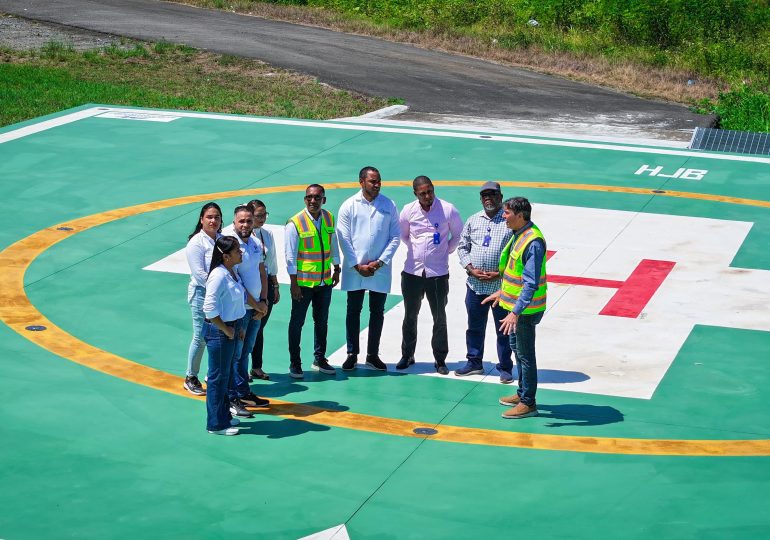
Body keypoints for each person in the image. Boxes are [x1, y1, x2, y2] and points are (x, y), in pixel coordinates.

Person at [482, 196, 547, 419]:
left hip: (525, 312)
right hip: (513, 307)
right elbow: (514, 272)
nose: (503, 216)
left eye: (507, 213)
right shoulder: (519, 234)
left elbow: (530, 283)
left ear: (521, 215)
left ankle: (528, 402)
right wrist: (502, 292)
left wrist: (515, 313)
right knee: (518, 352)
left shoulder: (533, 242)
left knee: (526, 355)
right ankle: (522, 393)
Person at [396, 176, 463, 375]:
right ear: (415, 194)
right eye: (423, 193)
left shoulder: (448, 209)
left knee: (439, 317)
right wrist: (417, 252)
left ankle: (440, 359)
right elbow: (404, 236)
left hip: (438, 273)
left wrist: (444, 251)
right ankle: (407, 355)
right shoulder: (408, 210)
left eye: (430, 191)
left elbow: (457, 235)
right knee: (410, 316)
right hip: (412, 272)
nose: (428, 196)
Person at [336, 166, 400, 371]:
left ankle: (372, 354)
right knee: (353, 310)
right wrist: (357, 265)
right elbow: (343, 237)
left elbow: (395, 236)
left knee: (377, 311)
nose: (377, 185)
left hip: (378, 269)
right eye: (373, 181)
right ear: (361, 182)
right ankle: (352, 353)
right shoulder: (349, 206)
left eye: (379, 181)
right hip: (356, 268)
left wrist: (379, 262)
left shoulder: (389, 205)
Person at [454, 182, 515, 383]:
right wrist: (470, 268)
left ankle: (505, 367)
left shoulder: (508, 221)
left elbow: (516, 254)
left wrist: (500, 273)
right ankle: (474, 362)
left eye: (492, 194)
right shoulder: (473, 220)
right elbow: (462, 247)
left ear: (500, 196)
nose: (488, 197)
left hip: (500, 288)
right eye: (484, 195)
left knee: (503, 330)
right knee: (474, 327)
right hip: (475, 286)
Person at [285, 184, 341, 378]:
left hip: (324, 282)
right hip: (303, 284)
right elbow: (290, 257)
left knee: (322, 321)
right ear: (304, 199)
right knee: (297, 323)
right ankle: (295, 363)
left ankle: (320, 358)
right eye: (309, 197)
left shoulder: (329, 218)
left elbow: (333, 244)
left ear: (323, 200)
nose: (313, 201)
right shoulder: (295, 223)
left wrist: (337, 267)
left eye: (317, 197)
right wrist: (294, 283)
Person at [222, 205, 269, 416]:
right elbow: (236, 281)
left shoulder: (256, 243)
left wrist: (264, 301)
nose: (245, 225)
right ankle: (232, 396)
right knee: (236, 354)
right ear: (234, 223)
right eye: (241, 221)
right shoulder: (232, 246)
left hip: (256, 308)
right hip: (242, 309)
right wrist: (256, 303)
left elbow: (261, 271)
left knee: (245, 352)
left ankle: (243, 391)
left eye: (249, 221)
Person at [202, 236, 249, 435]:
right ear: (226, 256)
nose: (241, 252)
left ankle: (224, 416)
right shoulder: (218, 276)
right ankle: (216, 424)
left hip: (231, 328)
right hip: (219, 333)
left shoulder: (231, 272)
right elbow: (209, 309)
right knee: (217, 378)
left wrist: (237, 326)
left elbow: (235, 302)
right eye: (238, 250)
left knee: (225, 376)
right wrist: (226, 329)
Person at [183, 202, 222, 396]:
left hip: (220, 296)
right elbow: (200, 275)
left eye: (216, 217)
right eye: (209, 217)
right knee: (200, 337)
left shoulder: (222, 240)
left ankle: (213, 374)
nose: (213, 221)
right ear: (201, 220)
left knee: (218, 337)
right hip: (202, 294)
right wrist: (222, 288)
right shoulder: (196, 243)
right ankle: (191, 377)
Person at [247, 199, 280, 381]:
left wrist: (275, 285)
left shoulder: (267, 234)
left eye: (264, 215)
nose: (262, 219)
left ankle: (257, 367)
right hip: (250, 284)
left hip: (265, 284)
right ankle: (241, 368)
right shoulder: (242, 235)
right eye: (258, 216)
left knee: (259, 327)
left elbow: (272, 261)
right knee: (247, 327)